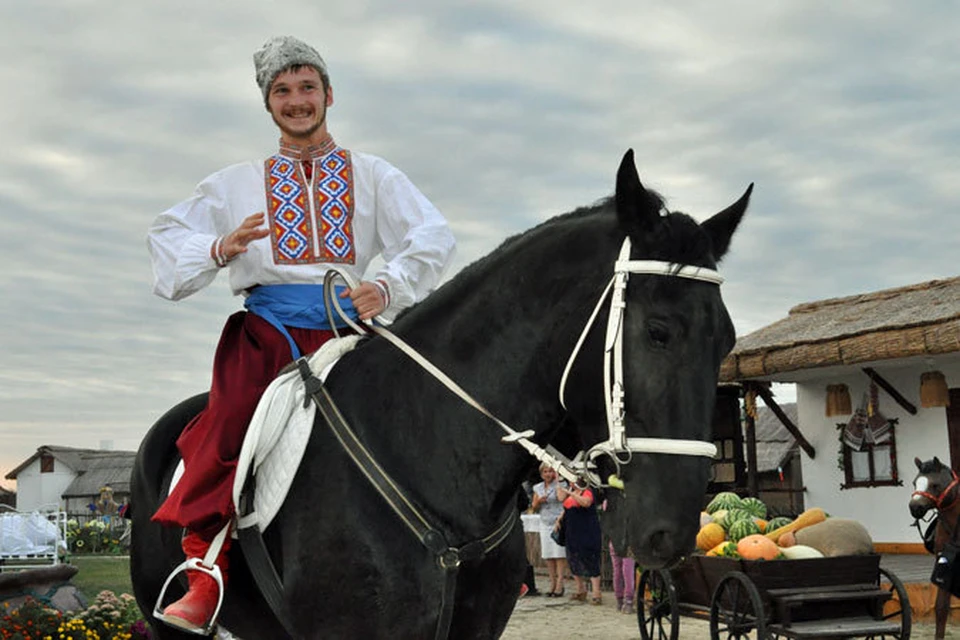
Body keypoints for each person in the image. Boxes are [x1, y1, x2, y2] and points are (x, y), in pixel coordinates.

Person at [146, 35, 456, 632]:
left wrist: (388, 284)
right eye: (282, 91)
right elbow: (166, 237)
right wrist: (218, 247)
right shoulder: (234, 183)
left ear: (328, 94)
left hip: (351, 330)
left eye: (306, 87)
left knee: (425, 420)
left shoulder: (373, 175)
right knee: (230, 422)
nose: (296, 100)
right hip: (268, 335)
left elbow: (432, 234)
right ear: (268, 105)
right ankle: (205, 570)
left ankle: (461, 546)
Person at [557, 480, 603, 605]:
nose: (571, 483)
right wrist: (559, 519)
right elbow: (562, 501)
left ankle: (596, 592)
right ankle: (580, 589)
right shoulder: (571, 491)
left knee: (590, 558)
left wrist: (570, 493)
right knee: (573, 558)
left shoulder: (587, 491)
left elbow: (586, 503)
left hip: (587, 530)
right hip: (572, 530)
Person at [530, 463, 568, 597]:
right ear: (541, 474)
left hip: (558, 520)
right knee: (548, 554)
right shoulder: (538, 487)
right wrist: (539, 500)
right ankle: (551, 583)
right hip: (545, 521)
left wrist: (558, 481)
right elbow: (533, 507)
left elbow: (561, 498)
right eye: (545, 472)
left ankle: (560, 584)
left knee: (558, 553)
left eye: (550, 471)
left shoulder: (561, 485)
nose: (548, 474)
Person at [608, 540, 635, 614]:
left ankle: (619, 601)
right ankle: (628, 601)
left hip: (614, 541)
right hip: (628, 542)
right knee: (628, 571)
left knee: (617, 571)